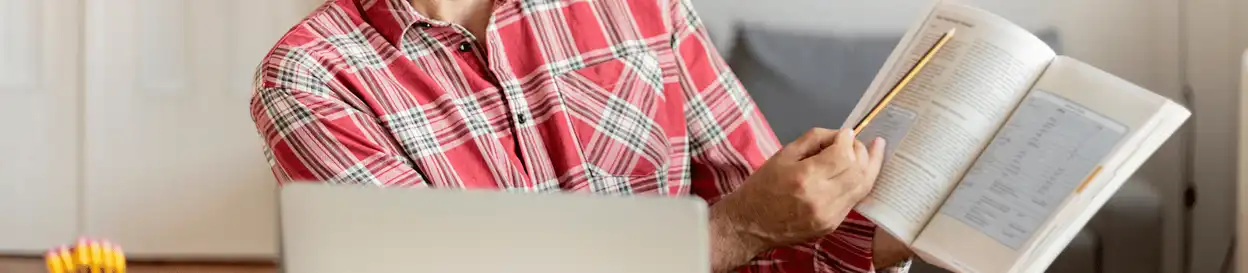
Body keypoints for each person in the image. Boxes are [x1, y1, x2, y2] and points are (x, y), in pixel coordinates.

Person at [249, 0, 914, 272]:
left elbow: (775, 232)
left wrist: (889, 231)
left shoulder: (638, 6)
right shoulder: (308, 77)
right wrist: (733, 229)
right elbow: (749, 226)